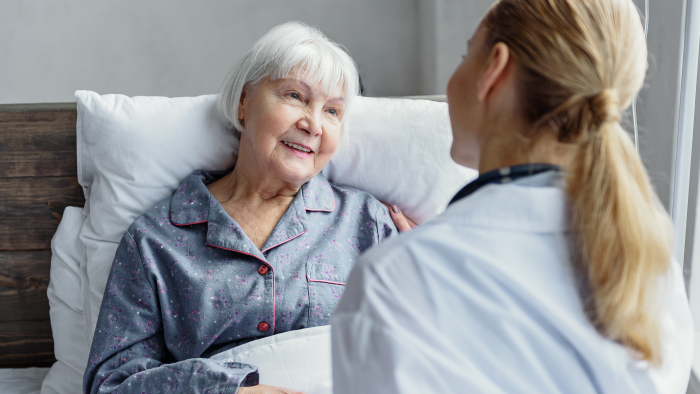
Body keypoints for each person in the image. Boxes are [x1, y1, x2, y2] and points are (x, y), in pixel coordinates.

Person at [331, 0, 694, 392]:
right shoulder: (652, 271)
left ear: (494, 70)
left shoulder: (392, 283)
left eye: (466, 53)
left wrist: (422, 253)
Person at [83, 21, 401, 394]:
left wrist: (434, 271)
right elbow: (110, 386)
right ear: (244, 101)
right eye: (296, 96)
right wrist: (226, 391)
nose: (313, 124)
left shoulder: (367, 223)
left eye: (332, 111)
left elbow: (421, 352)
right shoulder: (155, 239)